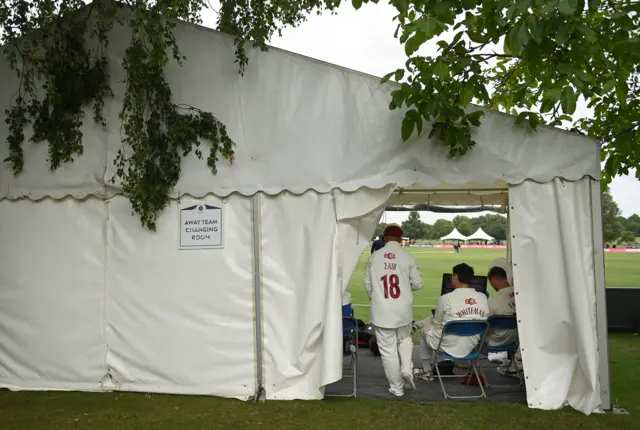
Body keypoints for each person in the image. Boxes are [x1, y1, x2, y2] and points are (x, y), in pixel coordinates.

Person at [364, 225, 423, 397]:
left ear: (385, 238)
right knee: (404, 339)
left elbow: (368, 285)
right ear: (400, 239)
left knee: (388, 351)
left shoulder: (374, 257)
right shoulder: (408, 257)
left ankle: (397, 388)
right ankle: (406, 368)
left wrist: (377, 299)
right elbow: (418, 284)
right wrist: (405, 287)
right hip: (403, 309)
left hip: (382, 310)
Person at [412, 263, 489, 381]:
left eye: (452, 276)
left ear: (456, 277)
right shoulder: (483, 297)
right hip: (471, 347)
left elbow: (437, 325)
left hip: (447, 346)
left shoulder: (446, 298)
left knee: (426, 330)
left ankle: (427, 371)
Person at [486, 258, 522, 376]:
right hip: (518, 340)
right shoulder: (521, 294)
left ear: (494, 280)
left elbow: (487, 329)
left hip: (498, 341)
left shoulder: (493, 301)